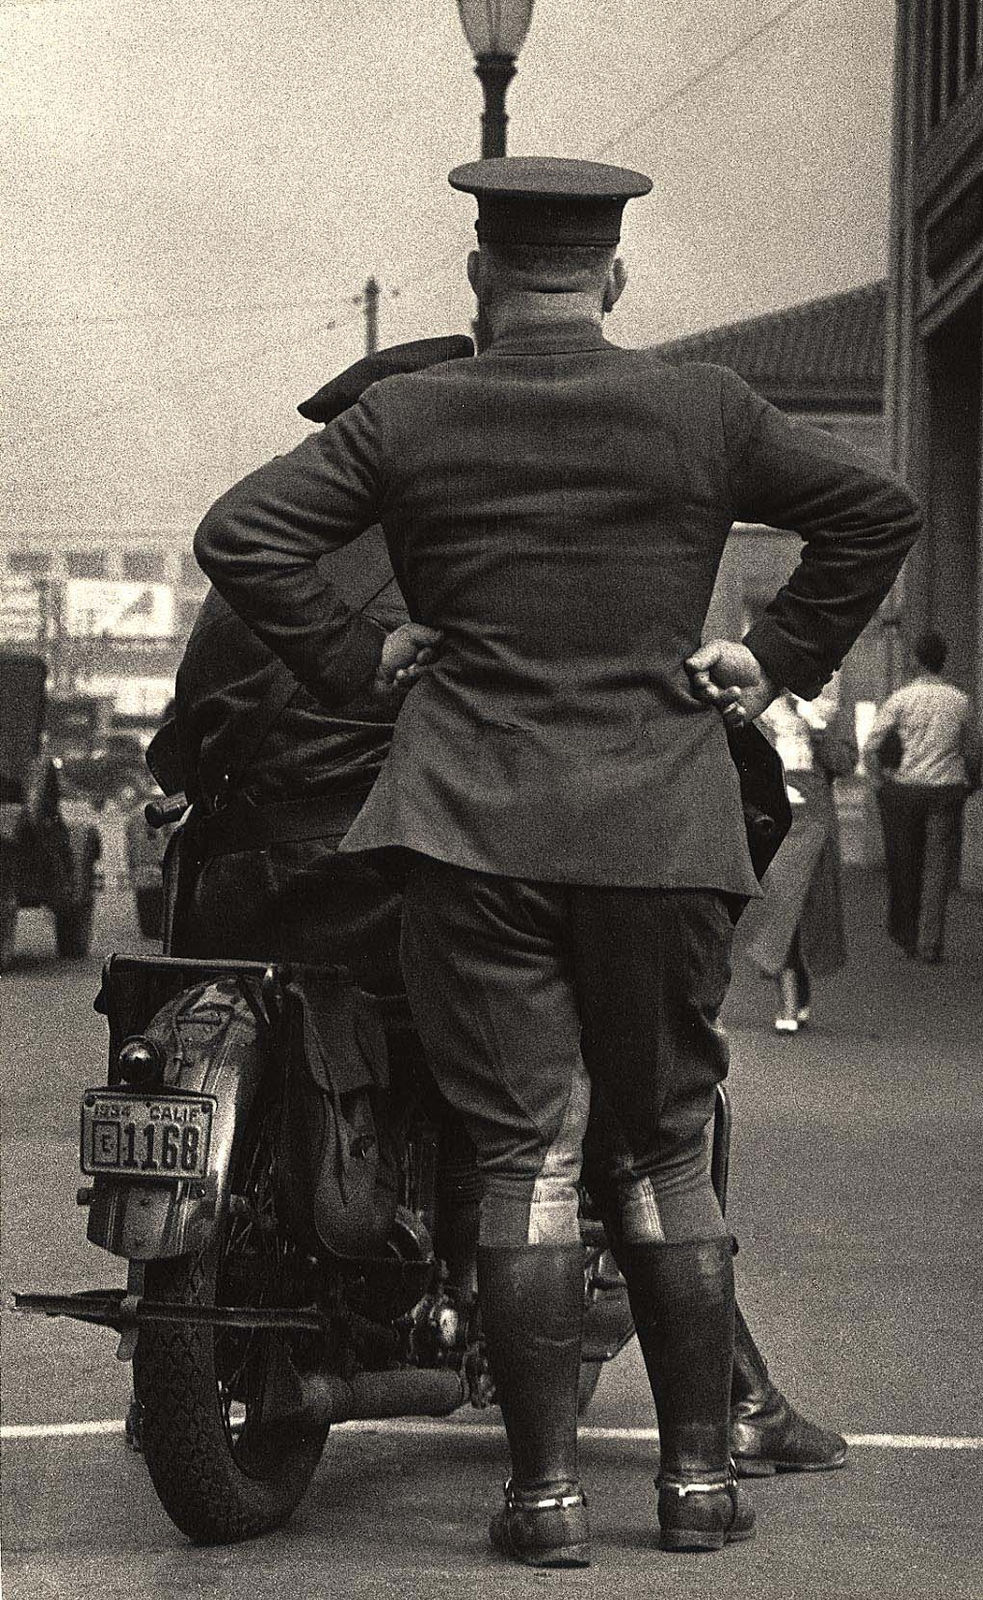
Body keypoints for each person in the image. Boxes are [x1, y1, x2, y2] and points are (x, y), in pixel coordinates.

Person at [193, 156, 922, 1566]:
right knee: (661, 1146)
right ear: (613, 277)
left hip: (469, 825)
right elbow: (870, 512)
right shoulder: (702, 409)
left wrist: (363, 657)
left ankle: (539, 1503)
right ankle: (697, 1487)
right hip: (657, 827)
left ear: (476, 278)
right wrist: (768, 660)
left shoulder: (406, 413)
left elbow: (242, 536)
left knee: (522, 1151)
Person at [743, 677, 857, 1031]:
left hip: (815, 821)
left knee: (807, 910)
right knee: (780, 908)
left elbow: (846, 762)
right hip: (774, 822)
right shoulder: (759, 712)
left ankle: (800, 990)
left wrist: (816, 729)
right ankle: (788, 1005)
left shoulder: (827, 712)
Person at [866, 630, 981, 963]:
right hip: (946, 789)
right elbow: (972, 748)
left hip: (906, 789)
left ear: (916, 660)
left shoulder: (901, 699)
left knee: (906, 862)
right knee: (937, 867)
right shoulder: (960, 700)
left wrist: (878, 781)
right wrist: (971, 782)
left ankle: (906, 933)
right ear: (943, 661)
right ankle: (930, 943)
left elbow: (872, 745)